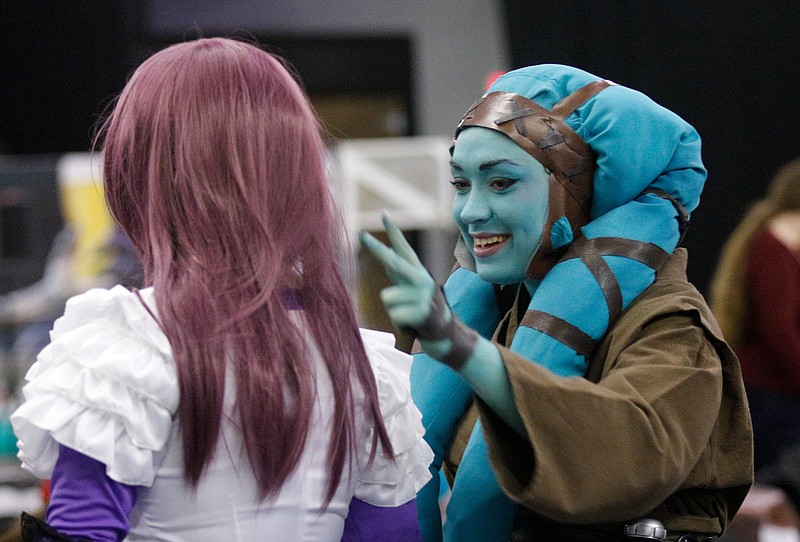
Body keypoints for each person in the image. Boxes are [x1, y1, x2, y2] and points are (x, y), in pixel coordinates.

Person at [10, 37, 432, 542]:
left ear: (142, 175)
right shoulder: (363, 365)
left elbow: (83, 530)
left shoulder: (125, 347)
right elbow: (392, 533)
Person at [361, 64, 753, 541]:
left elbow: (624, 453)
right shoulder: (497, 316)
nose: (471, 211)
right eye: (461, 184)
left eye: (501, 183)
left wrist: (467, 352)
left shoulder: (669, 326)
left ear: (579, 196)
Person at [710, 158, 800, 474]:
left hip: (773, 395)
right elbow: (780, 334)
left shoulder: (779, 248)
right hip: (771, 398)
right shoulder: (773, 251)